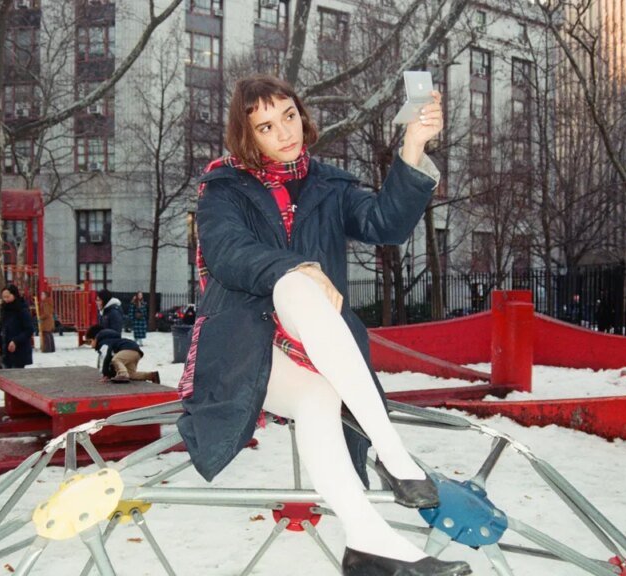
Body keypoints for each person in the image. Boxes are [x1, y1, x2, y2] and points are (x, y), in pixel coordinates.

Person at [176, 75, 469, 576]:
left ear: (301, 114)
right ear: (248, 136)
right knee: (296, 285)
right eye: (266, 126)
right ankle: (393, 453)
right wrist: (298, 267)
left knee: (320, 398)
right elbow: (227, 253)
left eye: (288, 116)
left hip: (313, 351)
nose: (284, 132)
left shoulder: (328, 185)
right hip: (247, 344)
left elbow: (385, 224)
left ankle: (368, 543)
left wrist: (413, 147)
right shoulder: (222, 189)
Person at [85, 324, 160, 384]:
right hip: (136, 352)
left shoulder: (103, 343)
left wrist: (106, 374)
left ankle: (123, 375)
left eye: (89, 342)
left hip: (128, 350)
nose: (90, 345)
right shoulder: (111, 340)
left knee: (116, 359)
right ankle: (151, 376)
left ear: (96, 338)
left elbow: (105, 357)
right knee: (131, 374)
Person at [0, 284, 34, 369]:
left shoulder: (22, 309)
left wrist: (16, 341)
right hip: (5, 350)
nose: (5, 299)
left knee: (16, 373)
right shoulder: (4, 309)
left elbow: (29, 330)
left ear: (14, 295)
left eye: (8, 297)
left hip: (19, 350)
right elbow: (1, 327)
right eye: (4, 297)